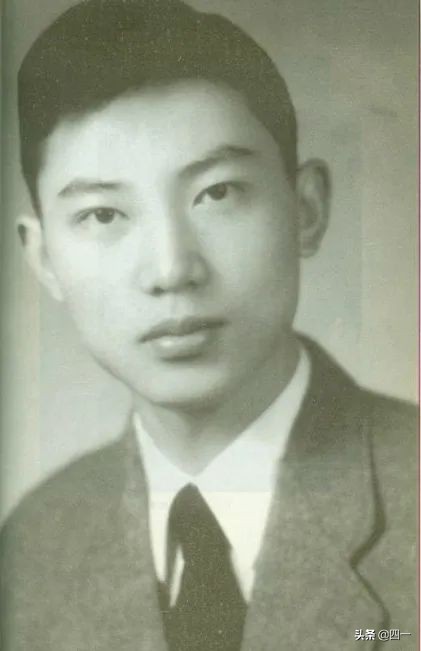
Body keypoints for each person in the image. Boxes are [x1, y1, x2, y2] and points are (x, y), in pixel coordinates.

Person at [0, 1, 417, 650]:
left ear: (305, 209)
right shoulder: (30, 547)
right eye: (104, 215)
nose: (171, 270)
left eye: (217, 193)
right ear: (45, 259)